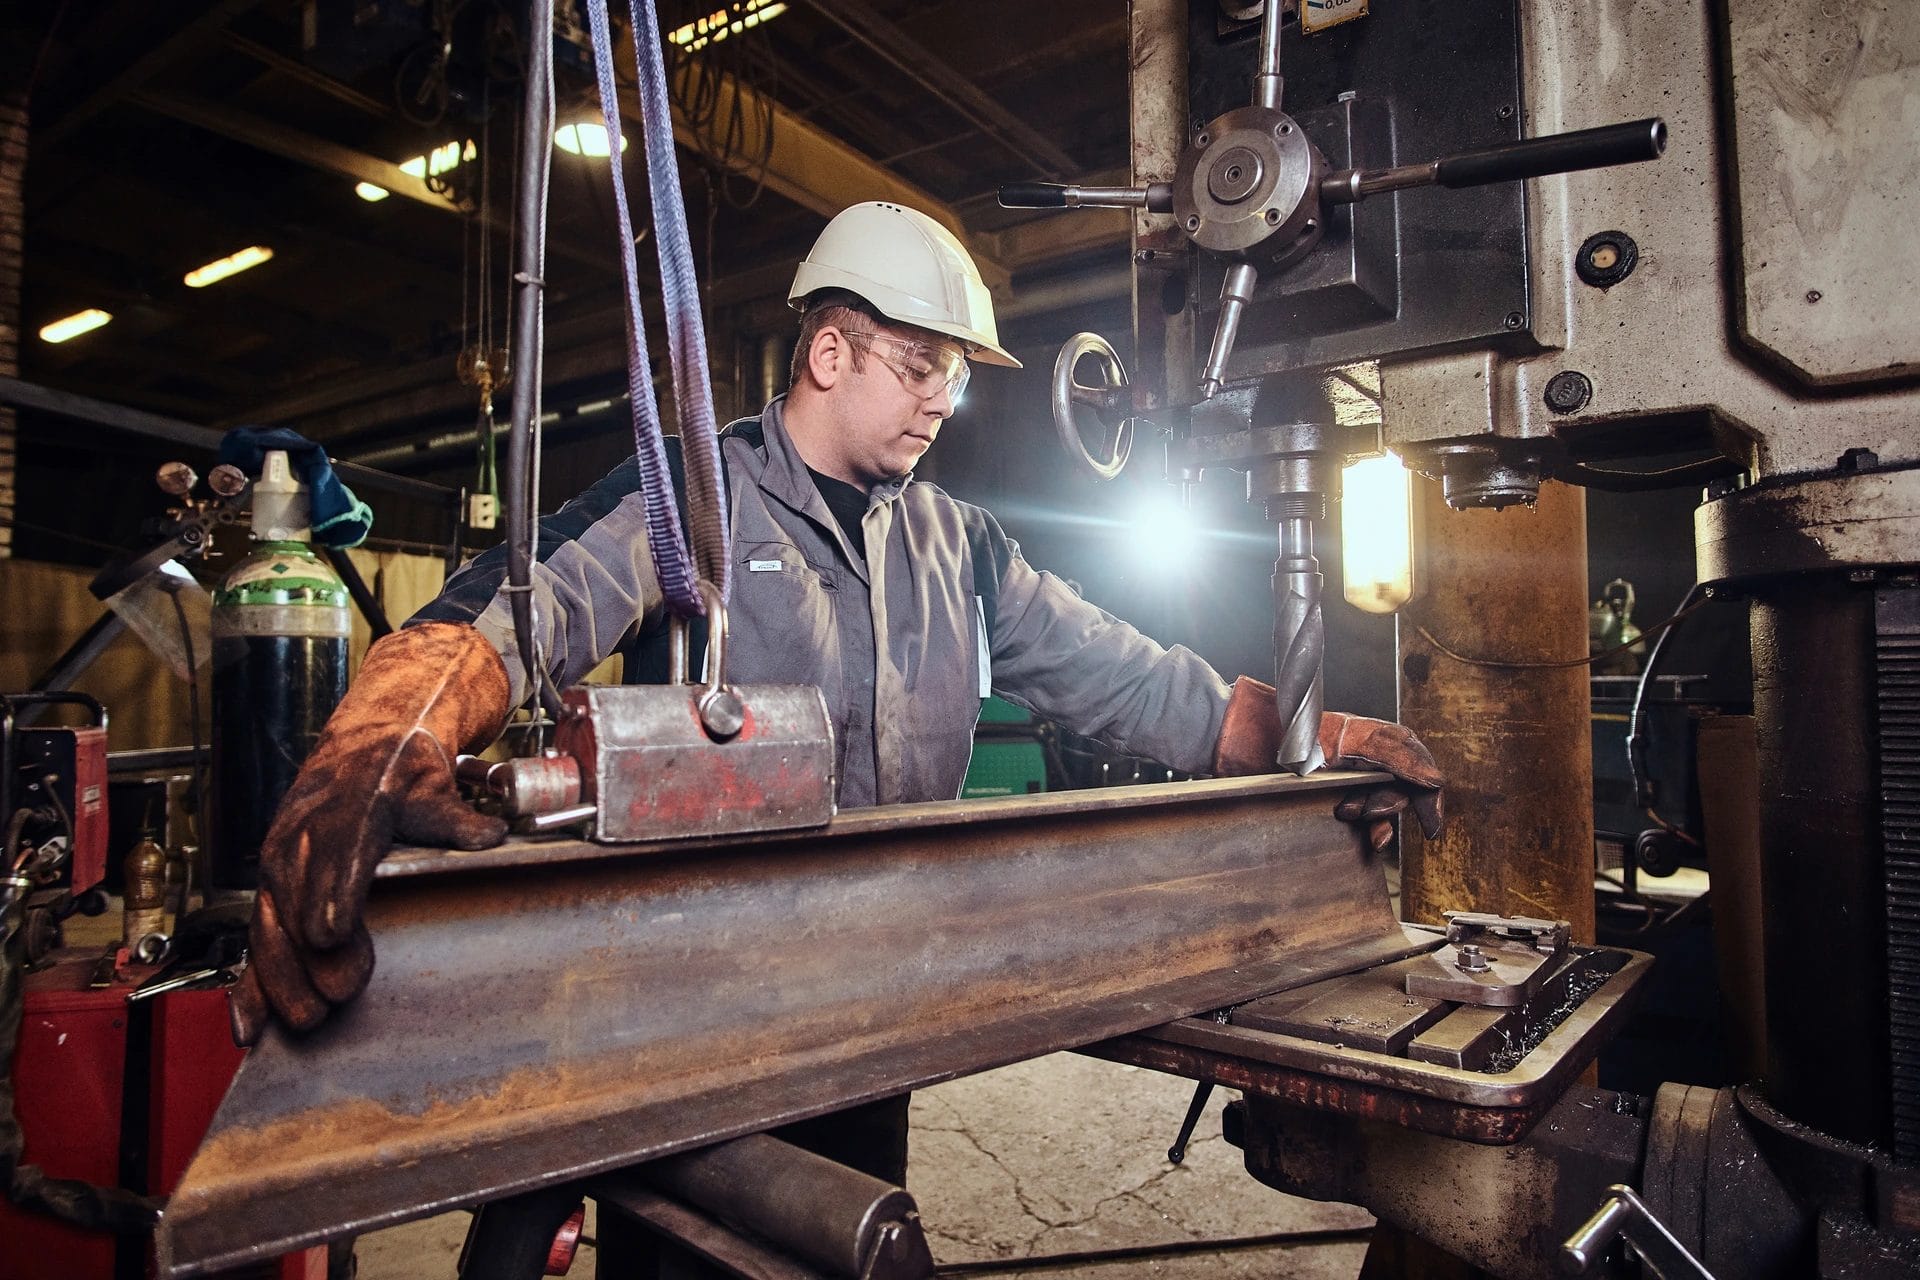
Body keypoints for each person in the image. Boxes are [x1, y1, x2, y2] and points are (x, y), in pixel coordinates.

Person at [227, 202, 1443, 1185]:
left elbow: (1131, 679)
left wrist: (1311, 737)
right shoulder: (700, 492)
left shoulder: (961, 545)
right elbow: (518, 607)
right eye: (918, 367)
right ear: (828, 351)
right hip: (691, 1010)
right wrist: (387, 732)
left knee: (853, 1217)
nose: (940, 401)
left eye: (954, 379)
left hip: (876, 995)